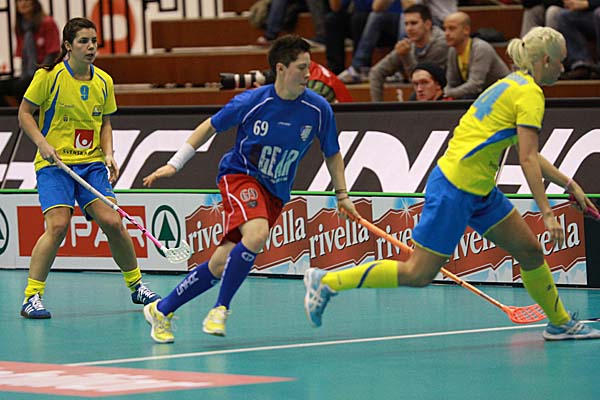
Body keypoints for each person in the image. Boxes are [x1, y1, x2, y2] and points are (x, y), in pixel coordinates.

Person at [304, 27, 600, 341]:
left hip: (480, 190)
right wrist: (547, 213)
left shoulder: (510, 84)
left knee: (529, 251)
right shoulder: (529, 94)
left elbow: (529, 153)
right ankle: (328, 282)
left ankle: (559, 323)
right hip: (455, 189)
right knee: (417, 273)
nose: (563, 68)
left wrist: (569, 184)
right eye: (560, 61)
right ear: (545, 60)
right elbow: (526, 158)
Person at [142, 34, 358, 344]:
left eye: (309, 67)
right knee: (257, 234)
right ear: (281, 68)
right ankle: (220, 309)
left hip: (275, 191)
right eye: (301, 68)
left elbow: (332, 153)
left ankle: (161, 310)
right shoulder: (252, 101)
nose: (308, 75)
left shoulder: (318, 108)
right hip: (240, 176)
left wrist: (342, 195)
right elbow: (209, 127)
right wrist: (175, 164)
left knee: (220, 263)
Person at [18, 17, 160, 319]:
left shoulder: (104, 81)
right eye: (83, 41)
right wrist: (43, 144)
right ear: (68, 46)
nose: (91, 47)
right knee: (58, 225)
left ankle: (137, 285)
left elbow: (105, 122)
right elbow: (25, 114)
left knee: (113, 222)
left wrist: (108, 154)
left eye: (94, 41)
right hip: (55, 165)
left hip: (91, 165)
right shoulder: (49, 77)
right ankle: (32, 296)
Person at [368, 4, 447, 101]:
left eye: (413, 23)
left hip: (445, 93)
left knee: (414, 97)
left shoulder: (441, 44)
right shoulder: (408, 44)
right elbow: (376, 72)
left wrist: (406, 56)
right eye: (406, 24)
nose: (409, 28)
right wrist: (377, 106)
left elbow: (421, 77)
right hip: (426, 93)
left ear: (427, 24)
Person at [0, 0, 60, 107]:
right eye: (19, 1)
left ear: (34, 2)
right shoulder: (20, 27)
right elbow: (22, 56)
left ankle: (27, 113)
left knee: (21, 87)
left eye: (27, 0)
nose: (23, 4)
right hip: (26, 74)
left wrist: (38, 74)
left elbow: (53, 54)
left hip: (45, 72)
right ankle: (14, 114)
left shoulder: (47, 23)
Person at [443, 11, 509, 99]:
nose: (446, 33)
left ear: (466, 30)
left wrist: (447, 94)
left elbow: (475, 85)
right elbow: (451, 83)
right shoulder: (452, 51)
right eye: (445, 29)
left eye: (452, 28)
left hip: (501, 94)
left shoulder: (481, 48)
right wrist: (446, 92)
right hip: (481, 96)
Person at [556, 0, 600, 79]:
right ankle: (581, 64)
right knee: (563, 16)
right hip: (590, 15)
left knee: (598, 13)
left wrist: (588, 4)